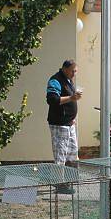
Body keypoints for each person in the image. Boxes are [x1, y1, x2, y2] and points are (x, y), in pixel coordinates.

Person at [46, 59, 82, 194]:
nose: (74, 74)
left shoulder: (68, 80)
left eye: (76, 71)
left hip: (69, 124)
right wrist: (71, 98)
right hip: (59, 124)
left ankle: (70, 180)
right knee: (60, 155)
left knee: (72, 153)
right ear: (65, 69)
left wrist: (72, 117)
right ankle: (59, 185)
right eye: (73, 71)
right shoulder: (55, 80)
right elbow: (52, 100)